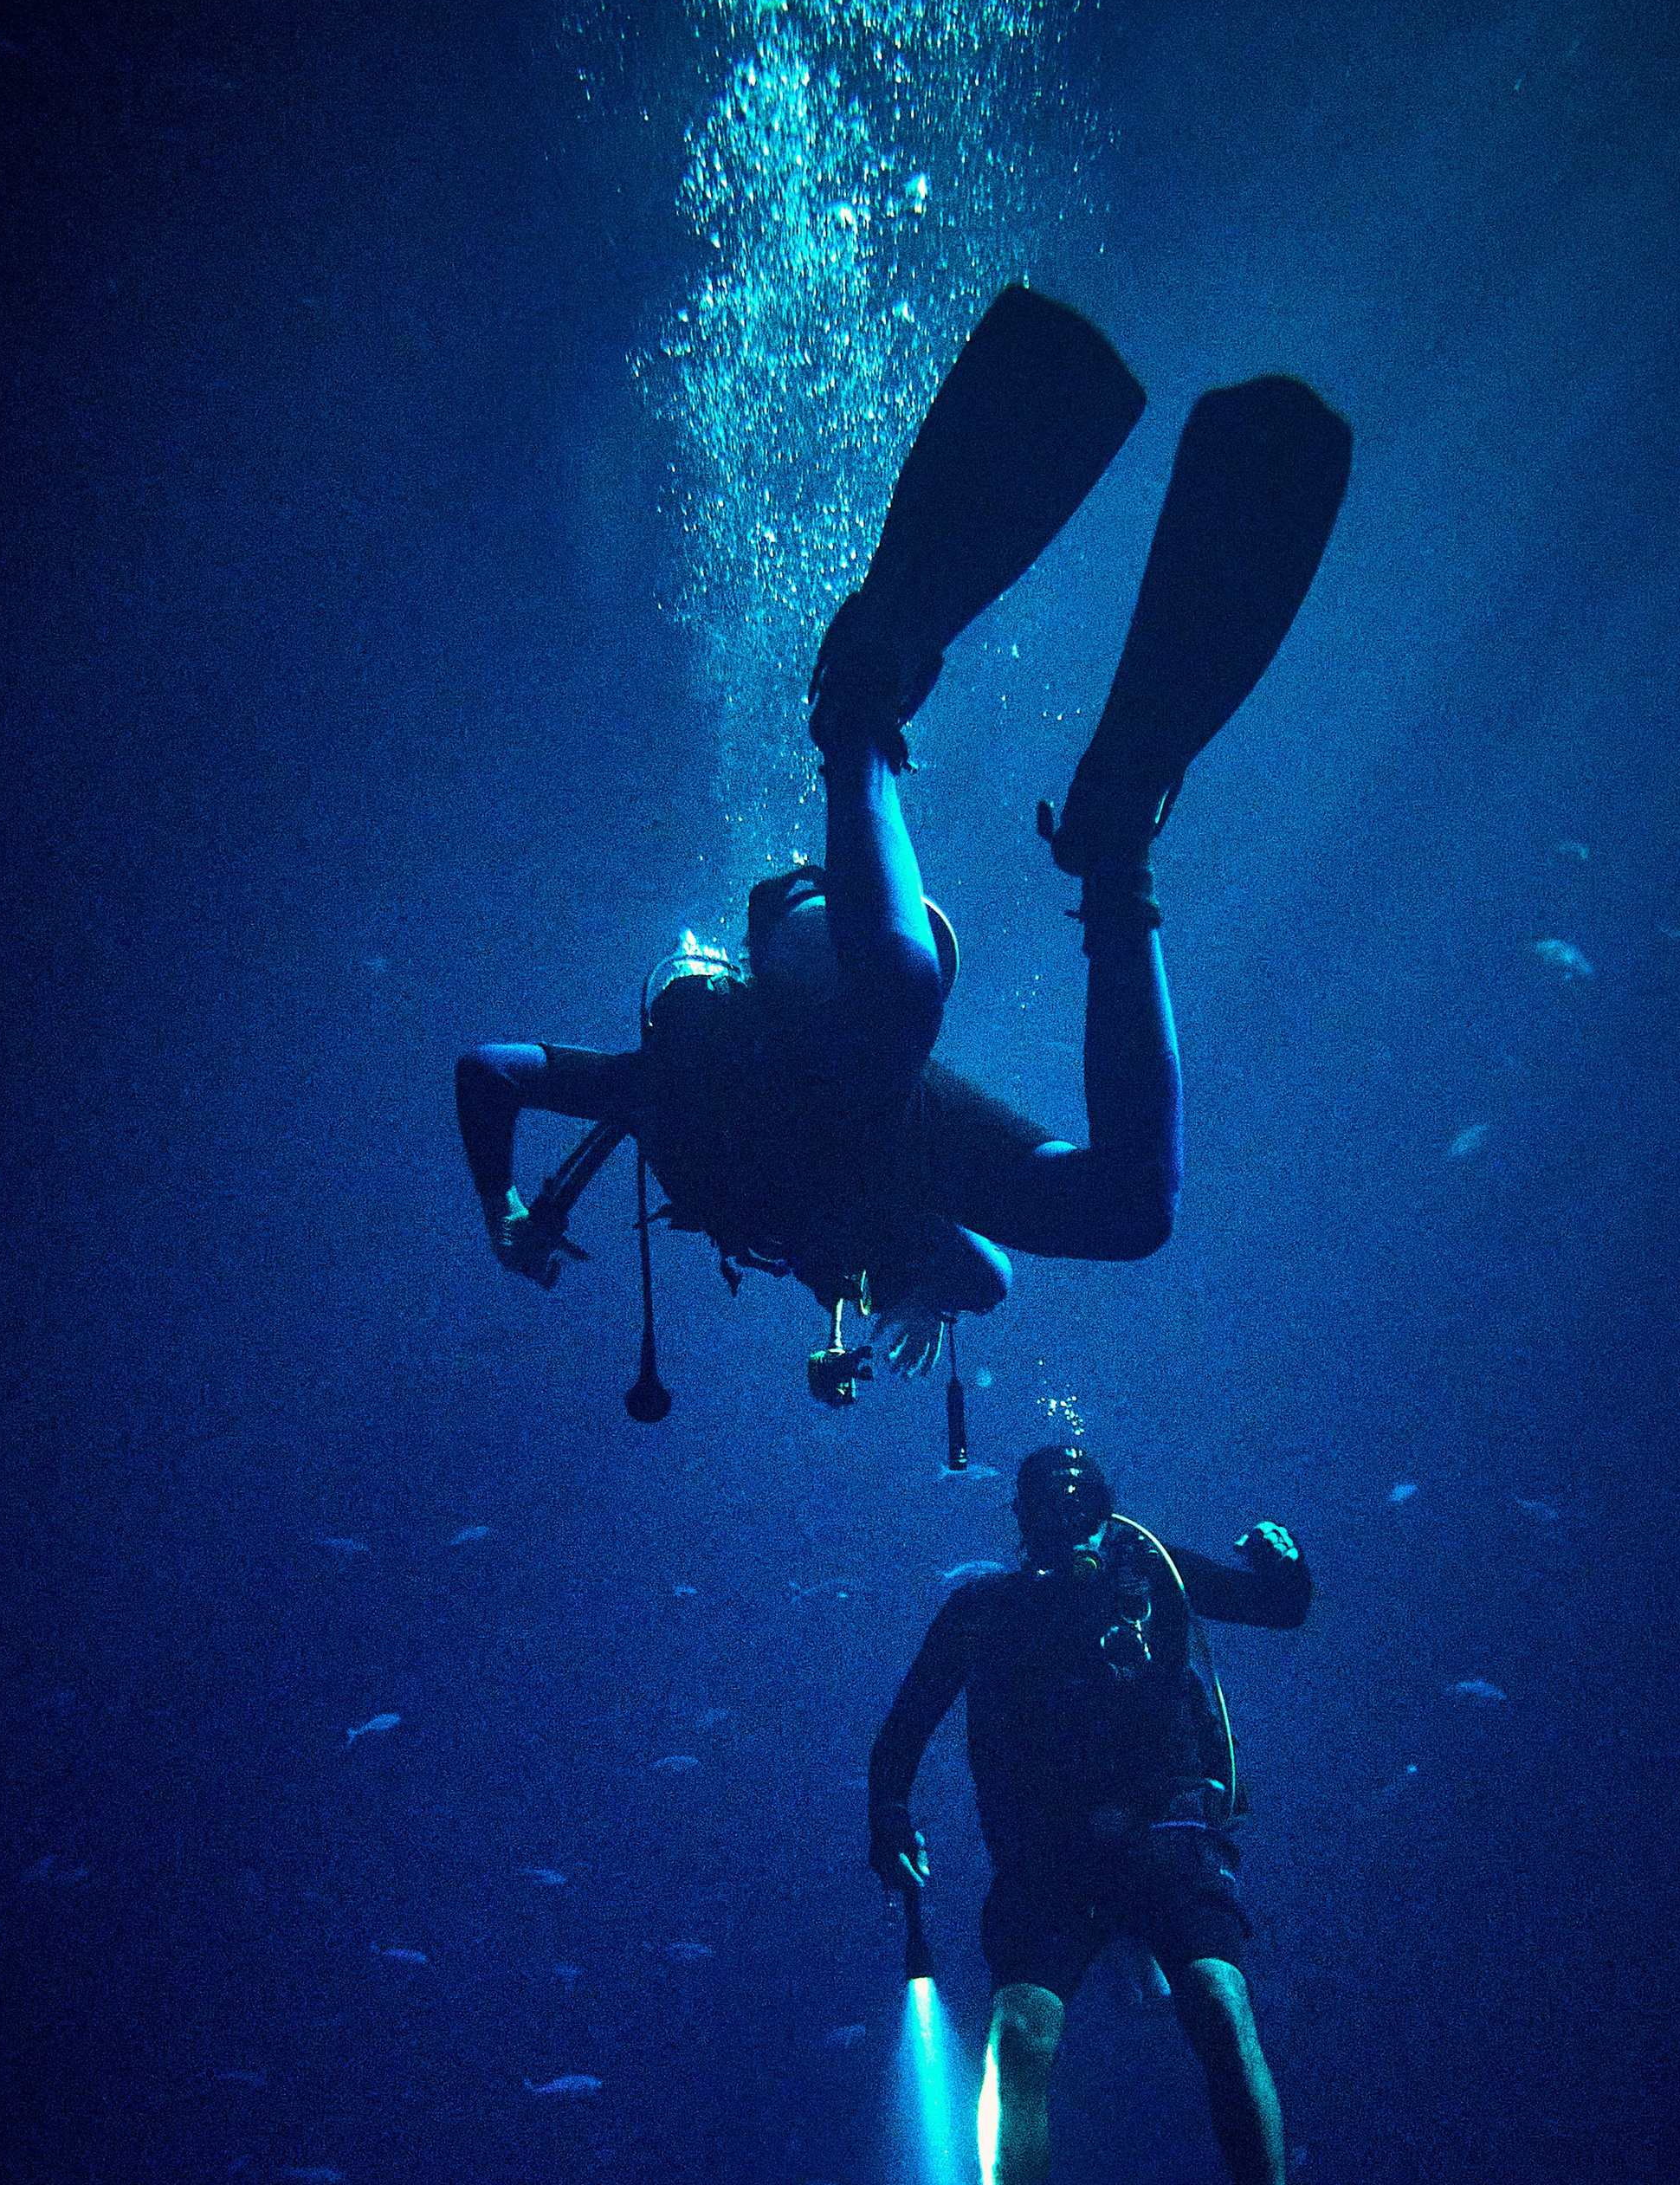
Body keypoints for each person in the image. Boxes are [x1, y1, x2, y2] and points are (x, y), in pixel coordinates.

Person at [453, 288, 1352, 1417]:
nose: (834, 1284)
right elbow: (991, 1272)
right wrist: (921, 1291)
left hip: (811, 968)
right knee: (1128, 1210)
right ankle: (1116, 851)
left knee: (896, 995)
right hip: (882, 1066)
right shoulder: (862, 1229)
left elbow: (489, 1068)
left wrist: (503, 1212)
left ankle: (860, 708)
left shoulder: (656, 1095)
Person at [817, 1441, 1438, 2185]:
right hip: (1052, 1860)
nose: (1073, 1532)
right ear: (1025, 1526)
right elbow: (899, 1735)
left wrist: (1284, 1571)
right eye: (1053, 1518)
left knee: (1215, 2006)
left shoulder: (1149, 1566)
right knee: (1027, 2034)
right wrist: (886, 1818)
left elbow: (1268, 1607)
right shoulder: (982, 1609)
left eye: (1085, 1511)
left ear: (1104, 1512)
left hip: (1161, 1837)